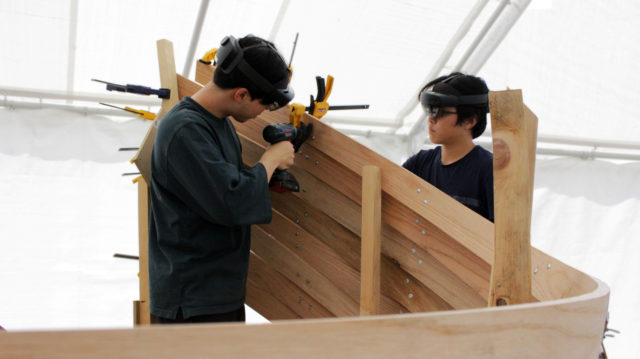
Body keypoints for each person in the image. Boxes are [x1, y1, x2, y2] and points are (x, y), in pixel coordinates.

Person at [148, 34, 295, 324]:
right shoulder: (184, 130)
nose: (263, 112)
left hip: (214, 294)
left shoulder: (218, 124)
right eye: (264, 104)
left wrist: (265, 177)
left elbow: (223, 183)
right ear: (241, 94)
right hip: (191, 302)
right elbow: (231, 201)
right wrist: (270, 160)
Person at [403, 72, 494, 222]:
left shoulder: (490, 170)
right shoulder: (419, 164)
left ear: (470, 121)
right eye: (428, 110)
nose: (431, 119)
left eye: (438, 111)